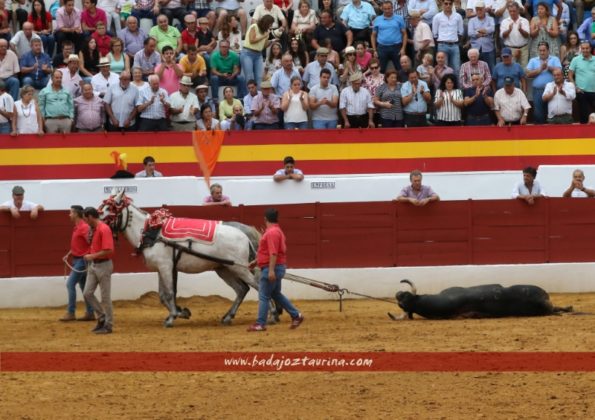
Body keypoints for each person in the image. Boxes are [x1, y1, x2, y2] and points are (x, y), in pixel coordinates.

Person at [248, 208, 304, 332]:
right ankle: (296, 315)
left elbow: (273, 253)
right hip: (275, 267)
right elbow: (269, 252)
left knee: (263, 296)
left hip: (271, 268)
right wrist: (255, 262)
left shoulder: (271, 233)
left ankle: (260, 324)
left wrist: (271, 270)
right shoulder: (277, 231)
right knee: (275, 294)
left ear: (265, 219)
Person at [60, 205, 95, 322]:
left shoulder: (84, 227)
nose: (69, 215)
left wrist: (88, 256)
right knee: (84, 287)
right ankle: (90, 312)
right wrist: (69, 254)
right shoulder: (78, 227)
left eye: (71, 213)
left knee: (70, 284)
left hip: (82, 261)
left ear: (76, 214)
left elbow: (92, 242)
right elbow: (79, 244)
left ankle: (71, 312)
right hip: (78, 259)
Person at [82, 206, 115, 335]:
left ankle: (109, 324)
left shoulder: (103, 229)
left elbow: (109, 250)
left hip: (104, 265)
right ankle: (101, 318)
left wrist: (92, 256)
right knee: (87, 293)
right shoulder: (94, 229)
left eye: (86, 219)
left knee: (105, 297)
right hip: (93, 265)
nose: (85, 222)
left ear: (90, 217)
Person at [526, 41, 563, 124]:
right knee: (538, 114)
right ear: (538, 51)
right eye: (540, 50)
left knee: (552, 114)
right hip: (538, 91)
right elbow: (527, 74)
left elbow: (560, 71)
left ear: (548, 50)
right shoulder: (533, 60)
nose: (542, 52)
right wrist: (540, 69)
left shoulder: (555, 59)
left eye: (544, 50)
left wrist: (549, 68)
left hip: (552, 90)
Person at [371, 1, 407, 73]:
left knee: (399, 68)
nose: (387, 10)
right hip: (382, 48)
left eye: (389, 8)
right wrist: (374, 50)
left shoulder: (399, 18)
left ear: (392, 8)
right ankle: (382, 84)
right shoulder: (377, 19)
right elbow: (373, 35)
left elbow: (404, 34)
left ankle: (401, 83)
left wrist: (403, 48)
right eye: (385, 9)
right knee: (381, 69)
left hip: (396, 47)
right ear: (382, 9)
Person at [241, 15, 274, 89]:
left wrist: (271, 41)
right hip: (247, 53)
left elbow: (263, 46)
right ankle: (249, 98)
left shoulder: (266, 32)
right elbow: (252, 40)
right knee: (250, 77)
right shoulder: (254, 26)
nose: (271, 26)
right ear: (266, 23)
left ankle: (258, 97)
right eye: (270, 24)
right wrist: (264, 36)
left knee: (259, 77)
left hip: (258, 54)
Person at [432, 0, 464, 77]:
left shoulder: (458, 16)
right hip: (442, 45)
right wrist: (442, 41)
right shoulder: (437, 17)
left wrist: (454, 40)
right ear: (443, 4)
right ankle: (443, 89)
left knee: (456, 69)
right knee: (443, 70)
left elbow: (461, 32)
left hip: (454, 45)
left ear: (452, 4)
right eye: (446, 3)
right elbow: (434, 33)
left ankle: (457, 88)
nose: (448, 5)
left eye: (450, 4)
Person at [39, 69, 74, 133]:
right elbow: (41, 107)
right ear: (52, 78)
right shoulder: (44, 91)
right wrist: (43, 120)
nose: (59, 79)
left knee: (66, 143)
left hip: (65, 120)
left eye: (60, 77)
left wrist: (71, 119)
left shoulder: (67, 91)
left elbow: (71, 105)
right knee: (51, 142)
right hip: (50, 121)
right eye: (57, 78)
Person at [568, 41, 595, 124]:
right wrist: (575, 87)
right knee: (584, 116)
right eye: (583, 48)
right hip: (581, 92)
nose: (585, 50)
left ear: (590, 49)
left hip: (594, 92)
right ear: (580, 49)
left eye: (587, 48)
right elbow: (570, 75)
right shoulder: (575, 60)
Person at [500, 3, 530, 69]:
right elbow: (503, 36)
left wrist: (520, 30)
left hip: (523, 49)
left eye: (514, 11)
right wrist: (509, 30)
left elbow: (527, 35)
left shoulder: (524, 21)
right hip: (510, 49)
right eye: (510, 11)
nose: (512, 13)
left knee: (524, 69)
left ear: (518, 10)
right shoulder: (504, 22)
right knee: (511, 69)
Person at [467, 2, 495, 72]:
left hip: (488, 48)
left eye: (480, 9)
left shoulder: (490, 19)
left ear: (484, 9)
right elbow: (470, 33)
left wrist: (480, 31)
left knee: (491, 69)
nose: (479, 11)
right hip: (476, 49)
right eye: (477, 10)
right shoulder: (472, 20)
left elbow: (492, 29)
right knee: (476, 70)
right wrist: (482, 32)